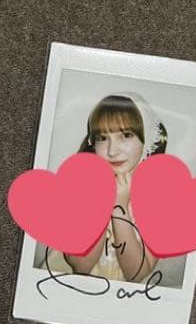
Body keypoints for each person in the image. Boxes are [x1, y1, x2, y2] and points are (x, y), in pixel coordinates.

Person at [45, 93, 167, 284]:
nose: (112, 151)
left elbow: (136, 274)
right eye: (103, 138)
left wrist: (120, 208)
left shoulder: (159, 197)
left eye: (126, 135)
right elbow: (81, 266)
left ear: (148, 139)